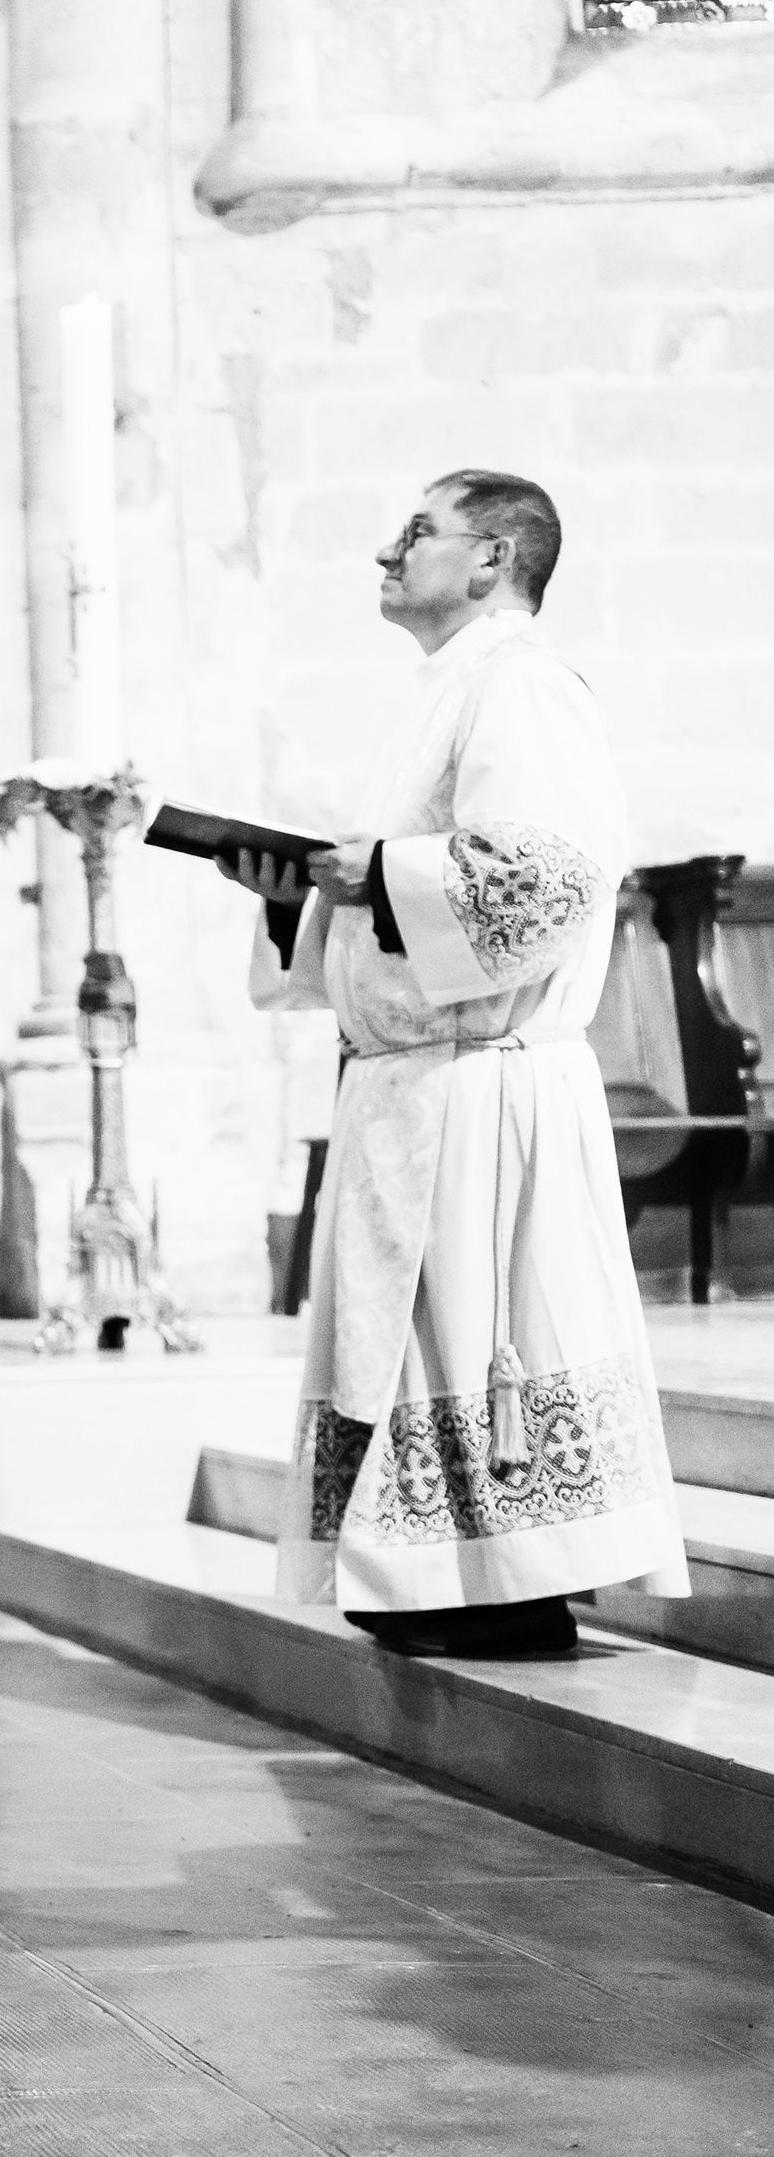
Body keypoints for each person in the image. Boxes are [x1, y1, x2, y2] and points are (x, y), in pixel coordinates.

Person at [222, 470, 688, 1657]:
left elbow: (548, 876)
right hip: (409, 1084)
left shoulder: (523, 686)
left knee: (487, 1329)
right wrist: (297, 903)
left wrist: (376, 872)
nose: (387, 550)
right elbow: (391, 908)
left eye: (417, 531)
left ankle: (507, 1585)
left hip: (483, 1088)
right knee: (410, 1337)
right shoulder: (446, 693)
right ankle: (431, 1573)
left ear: (492, 558)